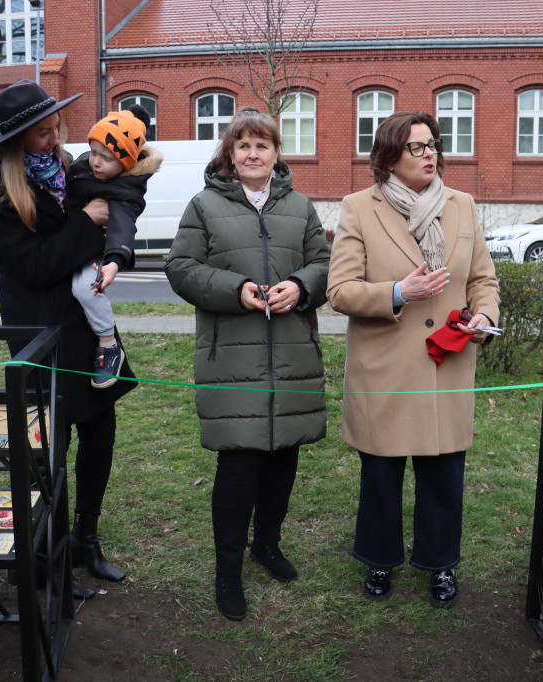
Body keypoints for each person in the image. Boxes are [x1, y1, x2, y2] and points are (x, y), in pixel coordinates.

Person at [326, 111, 500, 609]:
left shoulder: (462, 206)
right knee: (381, 476)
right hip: (385, 367)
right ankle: (380, 559)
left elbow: (482, 280)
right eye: (417, 148)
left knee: (444, 476)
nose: (430, 155)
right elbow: (339, 291)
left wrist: (484, 318)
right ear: (389, 158)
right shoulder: (359, 208)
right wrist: (400, 292)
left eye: (434, 145)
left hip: (447, 364)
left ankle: (440, 565)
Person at [164, 108, 330, 621]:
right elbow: (181, 267)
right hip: (231, 359)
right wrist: (236, 291)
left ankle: (268, 545)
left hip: (291, 355)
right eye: (244, 146)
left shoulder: (300, 207)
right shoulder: (205, 205)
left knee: (283, 459)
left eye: (263, 145)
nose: (254, 154)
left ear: (277, 154)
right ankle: (228, 571)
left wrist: (300, 287)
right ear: (230, 156)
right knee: (239, 466)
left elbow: (324, 264)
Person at [0, 79, 136, 595]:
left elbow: (124, 195)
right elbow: (36, 266)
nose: (53, 140)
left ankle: (87, 540)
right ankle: (52, 556)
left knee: (100, 432)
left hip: (86, 325)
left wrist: (114, 249)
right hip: (39, 330)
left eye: (55, 129)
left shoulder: (70, 167)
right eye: (41, 135)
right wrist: (88, 223)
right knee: (53, 446)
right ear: (15, 140)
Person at [67, 105, 162, 389]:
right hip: (69, 238)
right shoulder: (86, 165)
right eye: (94, 152)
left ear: (126, 163)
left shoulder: (125, 191)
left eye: (107, 158)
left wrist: (114, 261)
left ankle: (109, 344)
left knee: (85, 287)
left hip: (96, 251)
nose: (96, 162)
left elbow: (122, 226)